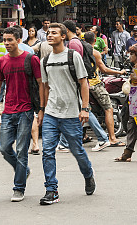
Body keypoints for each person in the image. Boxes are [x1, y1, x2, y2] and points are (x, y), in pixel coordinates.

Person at [38, 22, 95, 205]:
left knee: (77, 150)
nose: (50, 35)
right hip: (51, 113)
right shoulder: (44, 61)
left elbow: (83, 83)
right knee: (47, 151)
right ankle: (51, 190)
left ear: (63, 36)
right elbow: (45, 87)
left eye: (54, 33)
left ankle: (88, 174)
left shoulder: (73, 56)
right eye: (48, 33)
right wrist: (42, 109)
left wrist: (85, 108)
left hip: (71, 113)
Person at [0, 27, 41, 202]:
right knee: (4, 148)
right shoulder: (1, 62)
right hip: (8, 111)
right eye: (4, 40)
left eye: (10, 40)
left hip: (26, 110)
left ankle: (19, 187)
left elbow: (41, 84)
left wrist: (41, 109)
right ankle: (23, 171)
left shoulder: (31, 59)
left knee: (21, 150)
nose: (7, 43)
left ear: (19, 41)